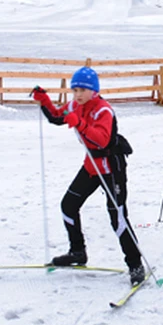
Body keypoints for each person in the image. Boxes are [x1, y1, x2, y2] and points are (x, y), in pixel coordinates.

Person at [31, 67, 145, 285]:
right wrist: (44, 101)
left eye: (82, 90)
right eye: (74, 90)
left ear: (94, 90)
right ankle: (77, 253)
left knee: (117, 218)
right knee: (68, 205)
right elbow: (57, 116)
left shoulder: (104, 111)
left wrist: (79, 123)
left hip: (112, 168)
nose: (78, 95)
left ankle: (135, 264)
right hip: (91, 166)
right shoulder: (75, 105)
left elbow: (101, 140)